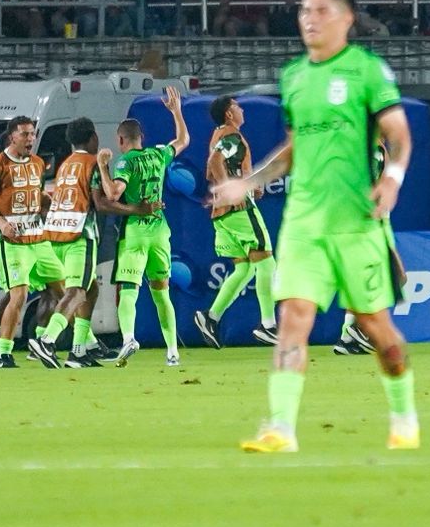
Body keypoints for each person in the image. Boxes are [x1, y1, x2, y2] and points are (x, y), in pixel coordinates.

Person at [211, 0, 420, 454]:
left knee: (378, 330)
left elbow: (400, 136)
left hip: (355, 223)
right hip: (304, 222)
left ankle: (404, 413)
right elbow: (295, 148)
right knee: (294, 319)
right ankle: (280, 429)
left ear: (347, 18)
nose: (309, 18)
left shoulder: (367, 70)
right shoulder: (294, 77)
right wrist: (251, 180)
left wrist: (392, 180)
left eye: (321, 10)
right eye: (305, 10)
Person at [27, 117, 155, 368]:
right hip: (78, 235)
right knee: (77, 292)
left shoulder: (66, 164)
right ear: (93, 137)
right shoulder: (92, 163)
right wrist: (136, 209)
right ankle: (47, 341)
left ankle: (80, 351)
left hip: (54, 233)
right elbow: (102, 203)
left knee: (90, 290)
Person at [105, 87, 189, 367]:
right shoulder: (157, 155)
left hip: (136, 232)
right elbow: (183, 140)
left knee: (128, 288)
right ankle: (173, 351)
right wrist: (176, 111)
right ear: (142, 138)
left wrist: (103, 168)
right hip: (160, 231)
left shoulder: (125, 162)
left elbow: (115, 194)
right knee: (161, 290)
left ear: (121, 140)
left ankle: (128, 337)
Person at [0, 116, 60, 369]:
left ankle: (46, 343)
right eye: (25, 134)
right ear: (12, 136)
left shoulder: (38, 163)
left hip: (39, 238)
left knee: (66, 292)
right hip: (13, 242)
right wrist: (0, 227)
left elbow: (39, 194)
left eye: (32, 134)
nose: (30, 139)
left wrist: (55, 208)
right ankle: (3, 354)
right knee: (18, 295)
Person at [194, 95, 278, 349]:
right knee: (266, 262)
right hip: (238, 210)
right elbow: (215, 162)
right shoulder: (232, 135)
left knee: (244, 269)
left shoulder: (217, 135)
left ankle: (211, 316)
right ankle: (269, 325)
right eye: (236, 106)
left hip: (222, 215)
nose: (241, 109)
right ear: (229, 114)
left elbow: (214, 166)